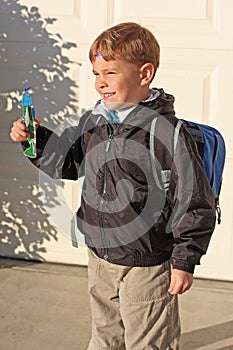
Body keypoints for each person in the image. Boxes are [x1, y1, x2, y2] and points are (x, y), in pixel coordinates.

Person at [10, 22, 216, 350]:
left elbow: (194, 202)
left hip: (147, 263)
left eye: (109, 72)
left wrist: (184, 261)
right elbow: (69, 160)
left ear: (145, 73)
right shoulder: (96, 122)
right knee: (104, 336)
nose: (100, 82)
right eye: (95, 73)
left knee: (147, 342)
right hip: (101, 256)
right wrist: (36, 139)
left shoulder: (168, 134)